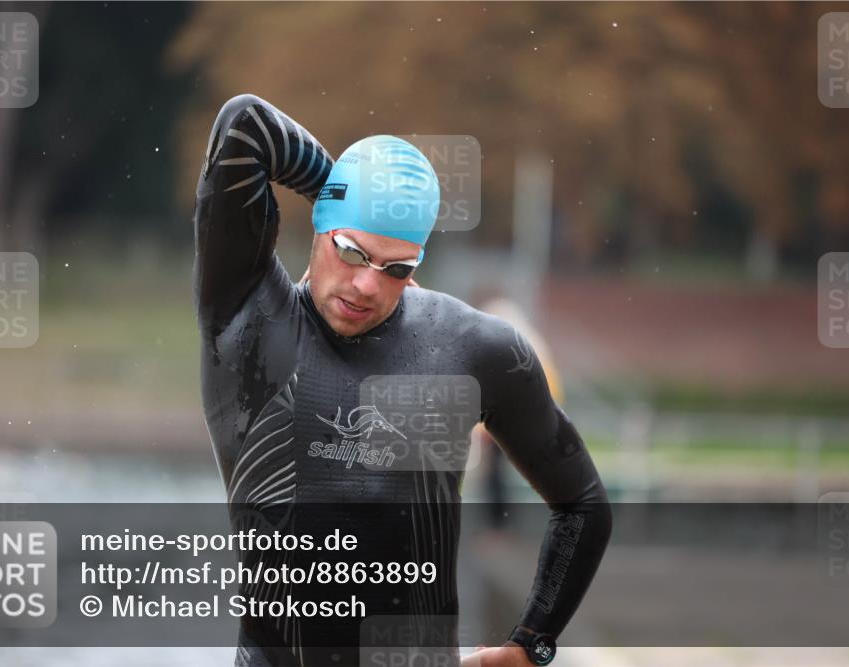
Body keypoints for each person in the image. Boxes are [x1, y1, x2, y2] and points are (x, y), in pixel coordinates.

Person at [194, 94, 611, 667]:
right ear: (320, 225)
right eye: (352, 251)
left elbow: (583, 505)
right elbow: (244, 126)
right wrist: (341, 190)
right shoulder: (245, 322)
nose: (367, 285)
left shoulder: (473, 349)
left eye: (396, 268)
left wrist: (531, 644)